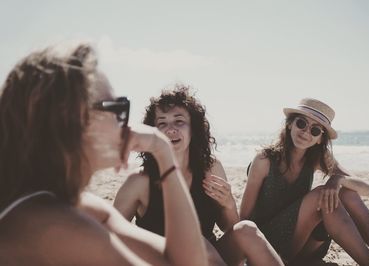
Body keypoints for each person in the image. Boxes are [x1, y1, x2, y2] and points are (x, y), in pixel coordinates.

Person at [0, 43, 208, 265]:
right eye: (117, 108)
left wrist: (162, 150)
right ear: (73, 122)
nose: (125, 123)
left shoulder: (76, 205)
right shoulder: (50, 225)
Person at [114, 86, 283, 266]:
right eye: (162, 123)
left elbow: (229, 227)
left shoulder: (211, 169)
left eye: (179, 121)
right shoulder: (140, 181)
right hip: (161, 260)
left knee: (246, 230)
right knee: (195, 241)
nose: (171, 129)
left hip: (211, 258)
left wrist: (228, 204)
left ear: (193, 129)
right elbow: (109, 235)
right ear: (153, 131)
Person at [240, 98, 369, 265]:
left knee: (347, 192)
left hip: (304, 243)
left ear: (320, 139)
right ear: (289, 125)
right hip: (266, 244)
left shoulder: (317, 158)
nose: (306, 132)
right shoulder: (265, 160)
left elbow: (366, 189)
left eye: (315, 130)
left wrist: (337, 179)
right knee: (321, 195)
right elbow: (243, 219)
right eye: (301, 123)